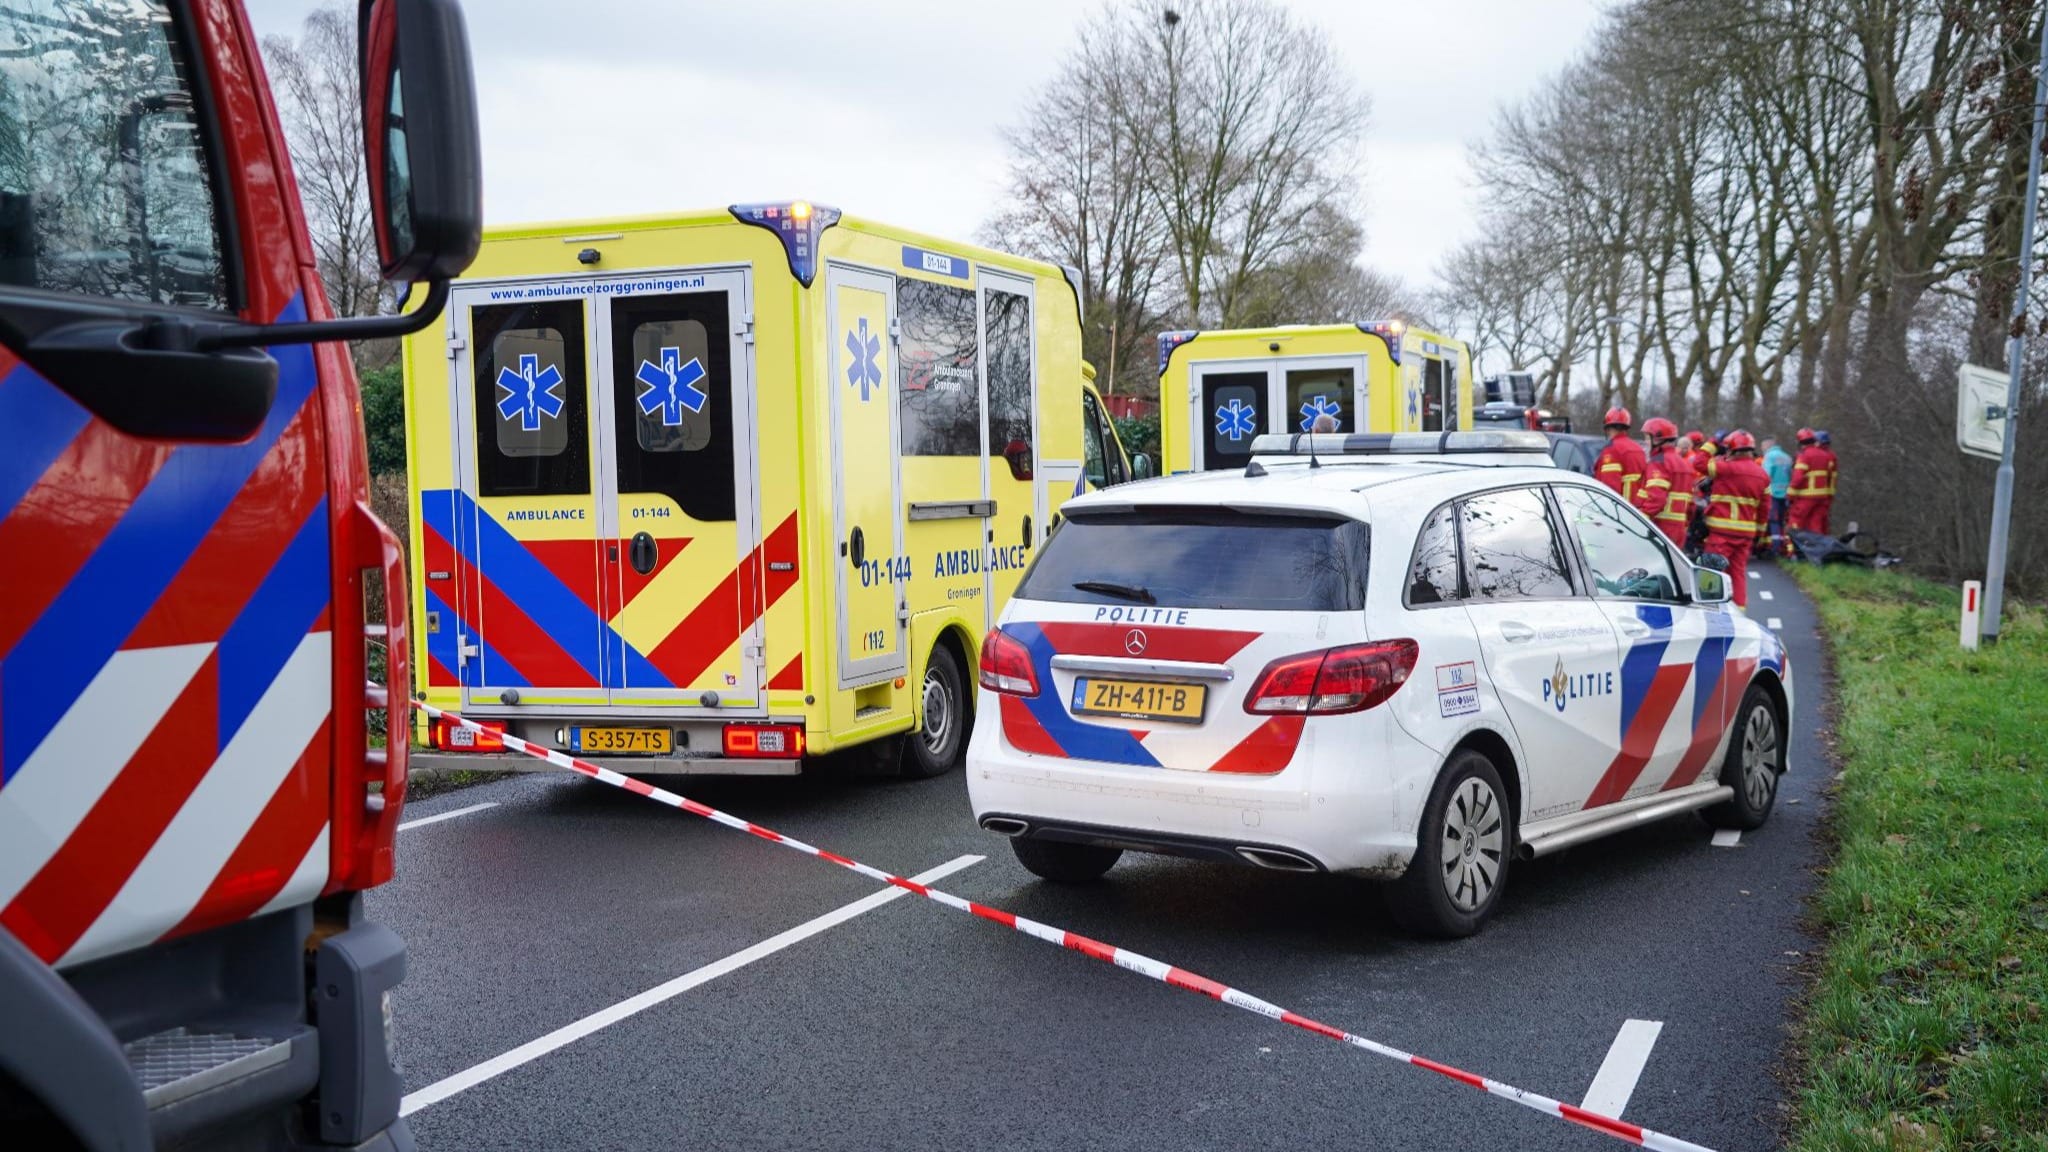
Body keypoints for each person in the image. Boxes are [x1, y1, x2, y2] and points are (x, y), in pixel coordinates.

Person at [1700, 429, 1771, 608]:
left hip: (1721, 533)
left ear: (1731, 450)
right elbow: (1765, 509)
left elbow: (1699, 462)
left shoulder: (1725, 468)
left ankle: (1707, 610)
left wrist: (1712, 441)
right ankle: (1739, 612)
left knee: (1712, 573)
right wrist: (1761, 535)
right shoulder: (1762, 475)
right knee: (1737, 573)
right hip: (1746, 535)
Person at [1635, 417, 1692, 546]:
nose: (1646, 442)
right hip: (1678, 531)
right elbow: (1691, 505)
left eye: (1647, 438)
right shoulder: (1685, 464)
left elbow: (1656, 500)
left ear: (1657, 439)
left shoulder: (1659, 463)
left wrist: (1637, 521)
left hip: (1659, 529)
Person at [1593, 406, 1647, 502]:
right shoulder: (1639, 449)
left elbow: (1610, 489)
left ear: (1608, 428)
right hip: (1636, 510)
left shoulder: (1612, 450)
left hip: (1620, 511)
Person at [1788, 427, 1832, 536]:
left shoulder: (1804, 456)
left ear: (1800, 443)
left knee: (1795, 521)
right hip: (1822, 497)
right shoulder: (1826, 455)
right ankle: (1816, 551)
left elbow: (1797, 478)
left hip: (1806, 497)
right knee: (1815, 525)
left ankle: (1795, 550)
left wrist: (1789, 495)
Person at [1761, 435, 1793, 548]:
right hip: (1786, 494)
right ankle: (1786, 547)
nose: (1762, 449)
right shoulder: (1787, 457)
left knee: (1773, 520)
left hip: (1773, 494)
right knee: (1782, 521)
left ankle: (1775, 548)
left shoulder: (1769, 457)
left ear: (1767, 444)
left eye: (1763, 446)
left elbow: (1765, 476)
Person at [1812, 429, 1838, 534]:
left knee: (1815, 521)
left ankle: (1818, 546)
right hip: (1828, 494)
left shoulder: (1821, 456)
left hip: (1817, 495)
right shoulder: (1832, 456)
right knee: (1824, 521)